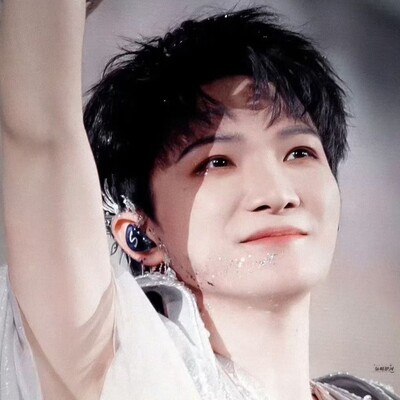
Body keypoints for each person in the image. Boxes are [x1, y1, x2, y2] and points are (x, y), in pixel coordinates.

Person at [0, 1, 398, 399]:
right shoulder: (120, 372)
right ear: (141, 234)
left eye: (299, 153)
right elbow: (41, 140)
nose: (278, 195)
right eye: (217, 162)